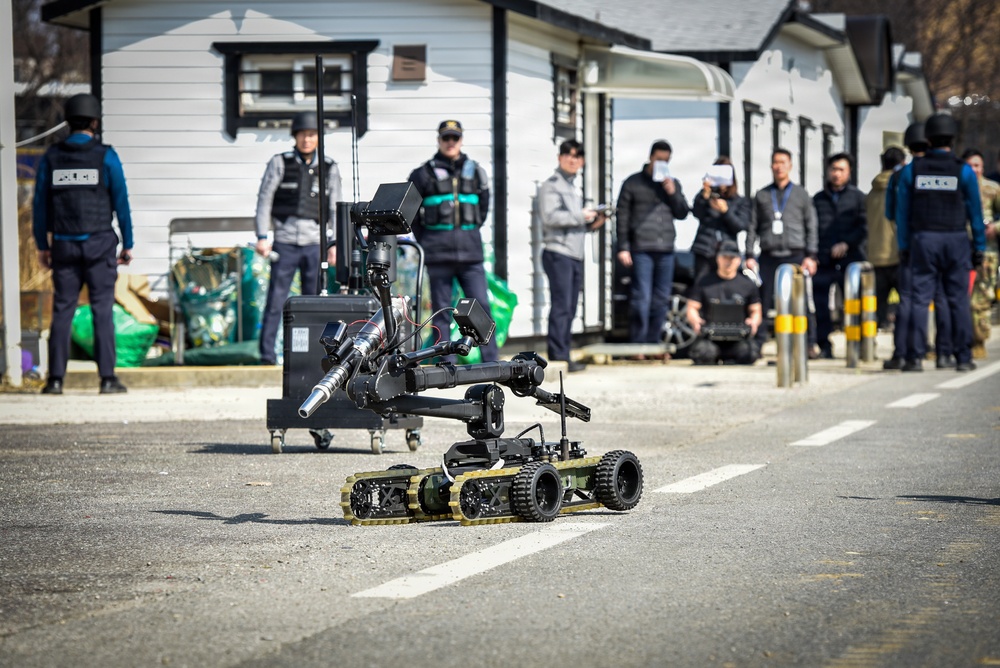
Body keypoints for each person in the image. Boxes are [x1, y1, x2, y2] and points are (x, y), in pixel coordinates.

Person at [32, 93, 133, 395]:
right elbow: (121, 202)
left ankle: (55, 380)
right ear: (94, 122)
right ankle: (107, 379)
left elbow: (39, 205)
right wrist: (128, 243)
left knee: (63, 310)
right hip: (100, 244)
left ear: (68, 121)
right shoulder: (106, 156)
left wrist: (42, 245)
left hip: (63, 245)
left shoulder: (52, 157)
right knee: (102, 309)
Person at [895, 113, 986, 373]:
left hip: (923, 239)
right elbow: (975, 213)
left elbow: (902, 214)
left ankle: (914, 357)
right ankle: (963, 357)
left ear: (928, 139)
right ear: (952, 138)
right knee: (958, 299)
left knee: (920, 300)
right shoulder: (963, 170)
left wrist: (904, 246)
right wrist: (978, 247)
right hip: (956, 239)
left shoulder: (913, 170)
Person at [254, 111, 342, 365]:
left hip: (315, 244)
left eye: (312, 135)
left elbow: (335, 207)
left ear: (318, 138)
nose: (307, 139)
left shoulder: (329, 167)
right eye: (303, 134)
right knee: (276, 300)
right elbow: (264, 200)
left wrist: (335, 244)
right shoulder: (279, 162)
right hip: (285, 243)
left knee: (312, 302)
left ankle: (312, 357)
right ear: (295, 136)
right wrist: (262, 236)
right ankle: (267, 355)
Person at [407, 120, 498, 362]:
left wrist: (468, 233)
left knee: (482, 308)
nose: (450, 142)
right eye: (446, 138)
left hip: (471, 256)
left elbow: (483, 209)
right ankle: (446, 365)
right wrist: (426, 240)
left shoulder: (476, 172)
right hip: (438, 255)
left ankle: (492, 362)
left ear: (461, 140)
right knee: (441, 312)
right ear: (438, 140)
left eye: (454, 138)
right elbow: (411, 213)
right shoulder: (422, 174)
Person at [538, 140, 606, 372]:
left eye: (577, 156)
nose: (573, 159)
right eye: (568, 154)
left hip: (573, 254)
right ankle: (558, 357)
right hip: (558, 253)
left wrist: (593, 223)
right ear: (559, 157)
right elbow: (549, 217)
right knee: (562, 306)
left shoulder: (572, 186)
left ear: (582, 161)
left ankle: (564, 354)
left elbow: (573, 223)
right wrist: (581, 215)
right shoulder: (551, 185)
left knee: (570, 307)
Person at [615, 140, 690, 346]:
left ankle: (654, 342)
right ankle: (638, 344)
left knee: (661, 299)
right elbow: (622, 217)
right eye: (658, 159)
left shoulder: (673, 183)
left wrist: (672, 192)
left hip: (666, 249)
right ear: (650, 157)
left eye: (666, 160)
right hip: (641, 249)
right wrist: (623, 247)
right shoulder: (633, 183)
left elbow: (683, 212)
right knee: (642, 298)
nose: (661, 164)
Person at [746, 148, 818, 351]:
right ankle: (758, 344)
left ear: (790, 166)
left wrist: (811, 255)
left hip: (795, 254)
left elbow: (811, 226)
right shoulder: (762, 195)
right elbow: (752, 226)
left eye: (783, 162)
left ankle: (808, 343)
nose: (779, 167)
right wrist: (749, 254)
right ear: (771, 166)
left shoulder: (801, 194)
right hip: (769, 255)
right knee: (763, 300)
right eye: (776, 162)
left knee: (800, 300)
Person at [811, 153, 867, 358]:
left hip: (850, 260)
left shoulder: (858, 198)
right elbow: (812, 228)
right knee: (821, 306)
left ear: (849, 172)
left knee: (854, 303)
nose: (837, 174)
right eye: (833, 169)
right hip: (824, 260)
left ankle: (859, 344)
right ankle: (824, 345)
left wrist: (846, 243)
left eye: (841, 170)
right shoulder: (818, 199)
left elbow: (864, 227)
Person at [883, 123, 929, 371]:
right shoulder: (951, 169)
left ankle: (905, 354)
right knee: (945, 298)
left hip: (912, 243)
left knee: (909, 299)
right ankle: (948, 351)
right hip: (947, 241)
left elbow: (891, 213)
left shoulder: (901, 175)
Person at [685, 240, 762, 365]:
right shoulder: (704, 282)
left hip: (738, 337)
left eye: (732, 258)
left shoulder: (747, 285)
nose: (728, 261)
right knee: (702, 354)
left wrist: (753, 321)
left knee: (749, 353)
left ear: (738, 260)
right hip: (711, 337)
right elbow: (692, 307)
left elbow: (756, 310)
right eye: (724, 257)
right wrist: (695, 321)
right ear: (718, 258)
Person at [961, 148, 1000, 359]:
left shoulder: (992, 189)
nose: (974, 170)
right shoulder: (957, 187)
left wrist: (995, 227)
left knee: (982, 299)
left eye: (977, 166)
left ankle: (979, 341)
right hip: (960, 248)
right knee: (959, 297)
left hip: (987, 251)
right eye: (970, 165)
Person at [690, 156, 751, 285]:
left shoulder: (739, 201)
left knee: (725, 286)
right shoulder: (705, 197)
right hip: (705, 250)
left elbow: (740, 226)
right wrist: (704, 195)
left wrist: (726, 211)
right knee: (701, 285)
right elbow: (696, 213)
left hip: (727, 251)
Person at [867, 146, 906, 332]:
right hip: (897, 255)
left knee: (876, 311)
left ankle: (870, 344)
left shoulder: (871, 192)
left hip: (875, 256)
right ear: (902, 164)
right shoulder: (901, 189)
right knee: (907, 305)